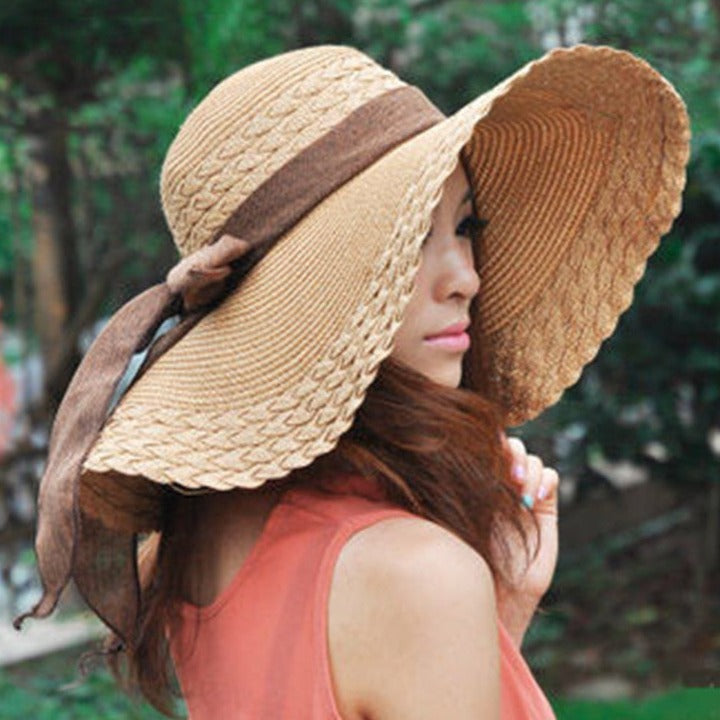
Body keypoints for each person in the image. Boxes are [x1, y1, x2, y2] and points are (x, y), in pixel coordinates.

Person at [16, 44, 689, 719]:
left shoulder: (202, 536)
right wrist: (453, 608)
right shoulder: (409, 574)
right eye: (408, 240)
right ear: (309, 294)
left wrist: (493, 621)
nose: (466, 279)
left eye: (464, 226)